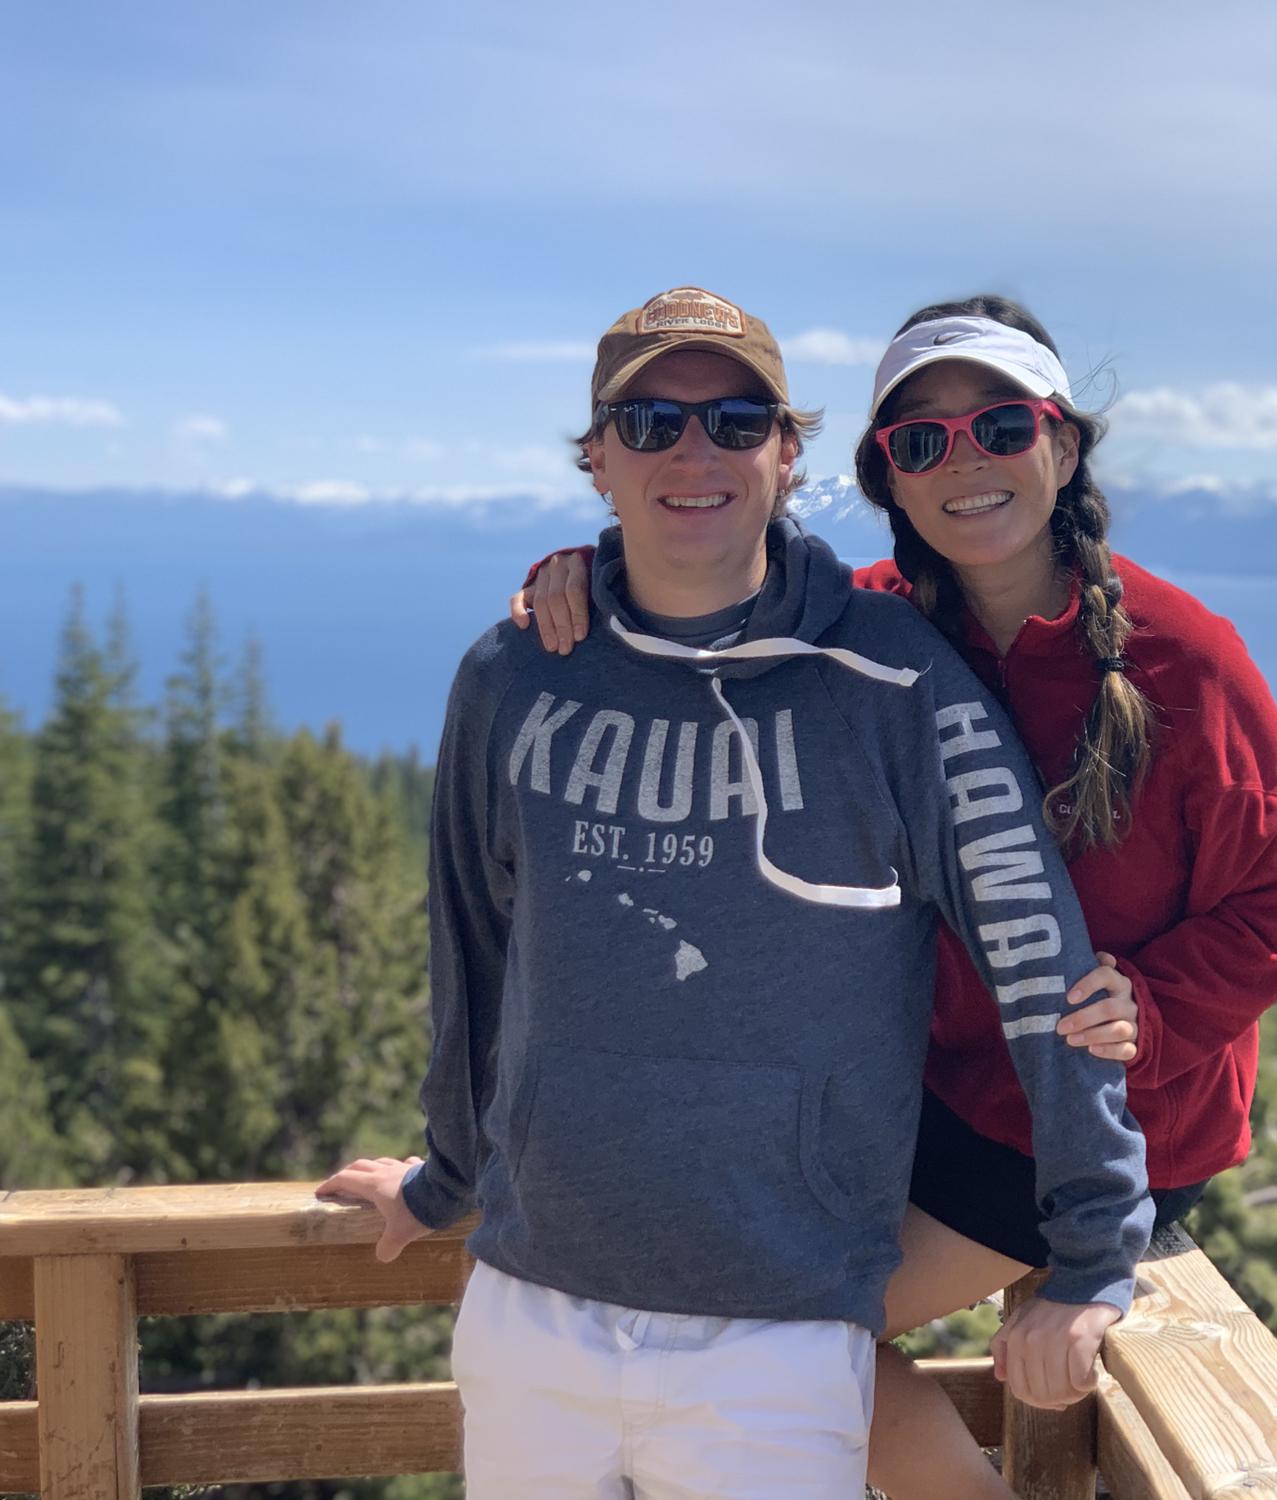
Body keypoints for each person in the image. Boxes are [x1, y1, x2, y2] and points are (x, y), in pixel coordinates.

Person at [317, 286, 1153, 1500]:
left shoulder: (896, 690)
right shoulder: (512, 673)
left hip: (780, 1327)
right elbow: (473, 952)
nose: (692, 451)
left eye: (734, 419)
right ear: (597, 459)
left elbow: (1040, 967)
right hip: (529, 1305)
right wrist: (444, 1178)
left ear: (787, 452)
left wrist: (1089, 1256)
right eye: (649, 423)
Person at [511, 294, 1277, 1499]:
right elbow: (716, 614)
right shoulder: (870, 626)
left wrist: (1145, 1007)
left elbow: (1276, 904)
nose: (965, 462)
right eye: (921, 442)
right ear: (886, 476)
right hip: (927, 1096)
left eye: (999, 428)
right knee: (701, 1313)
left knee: (761, 1337)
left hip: (1096, 1112)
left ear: (1060, 445)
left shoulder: (1178, 657)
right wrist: (586, 576)